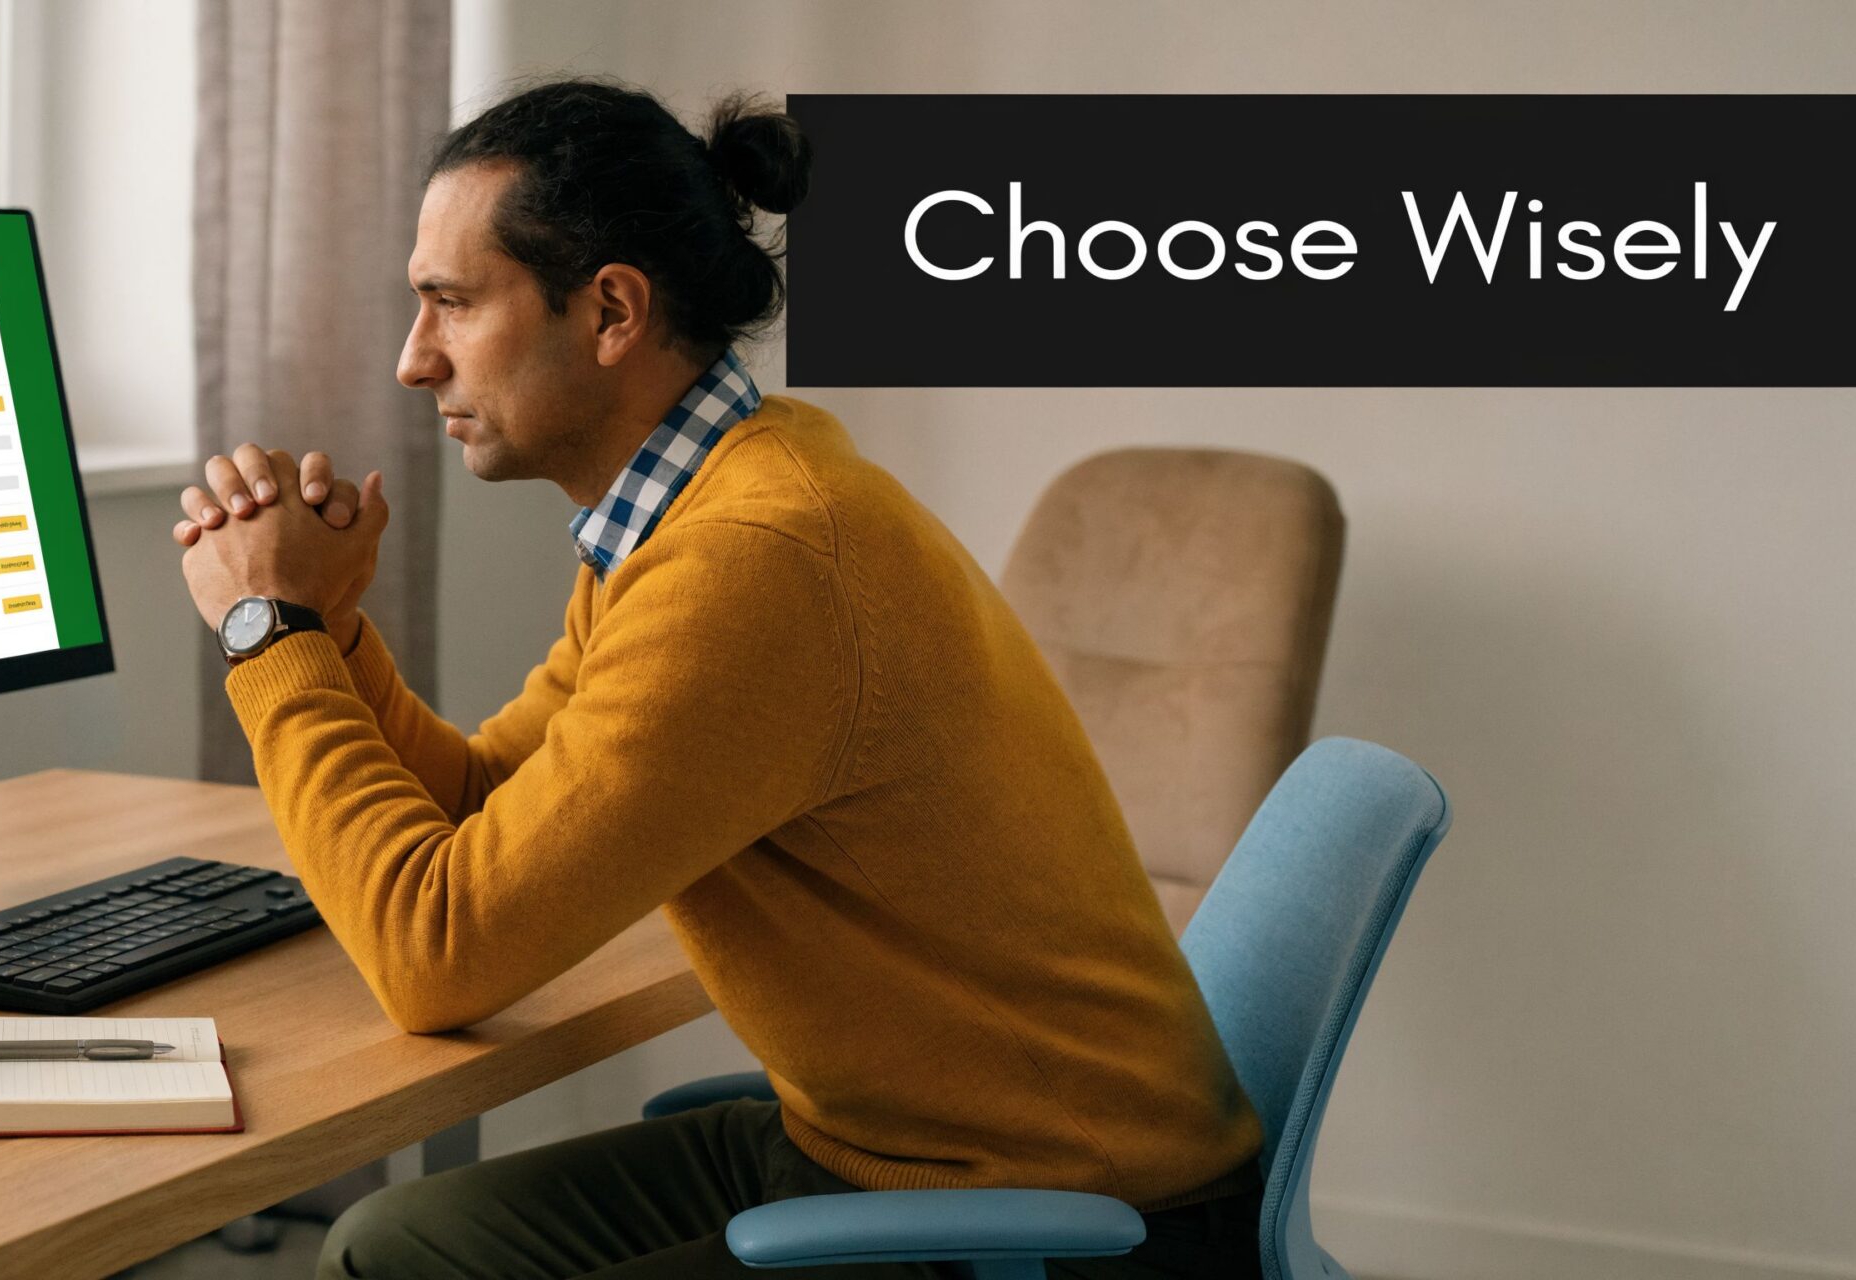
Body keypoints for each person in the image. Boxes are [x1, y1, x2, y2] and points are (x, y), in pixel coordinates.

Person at [171, 78, 1264, 1279]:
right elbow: (483, 797)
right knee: (392, 1244)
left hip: (1053, 1216)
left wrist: (265, 633)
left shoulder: (753, 562)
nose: (411, 362)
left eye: (451, 304)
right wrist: (323, 623)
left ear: (611, 312)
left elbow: (436, 953)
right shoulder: (695, 506)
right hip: (882, 1150)